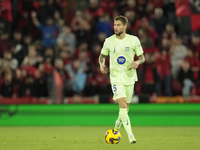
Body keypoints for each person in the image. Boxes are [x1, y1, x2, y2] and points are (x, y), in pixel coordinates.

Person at [99, 15, 145, 143]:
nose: (116, 27)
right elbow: (102, 56)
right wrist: (101, 64)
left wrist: (137, 62)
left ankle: (117, 126)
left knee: (125, 109)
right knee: (122, 104)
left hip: (130, 77)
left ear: (125, 26)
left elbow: (142, 57)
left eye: (119, 25)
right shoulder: (109, 41)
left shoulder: (134, 40)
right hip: (116, 77)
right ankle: (131, 136)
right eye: (115, 25)